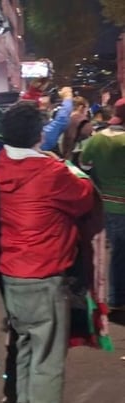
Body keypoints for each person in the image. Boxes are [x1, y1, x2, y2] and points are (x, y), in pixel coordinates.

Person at [0, 101, 95, 403]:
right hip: (44, 272)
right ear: (40, 134)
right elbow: (83, 197)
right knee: (48, 357)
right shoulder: (50, 173)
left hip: (11, 272)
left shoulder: (1, 163)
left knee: (24, 346)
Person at [80, 98, 125, 311]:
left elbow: (85, 165)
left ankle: (116, 296)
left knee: (117, 251)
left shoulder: (97, 139)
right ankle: (117, 296)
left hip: (106, 203)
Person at [60, 96, 93, 162]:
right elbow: (90, 140)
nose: (87, 112)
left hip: (65, 158)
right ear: (80, 107)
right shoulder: (82, 121)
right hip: (77, 159)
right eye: (87, 108)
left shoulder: (63, 120)